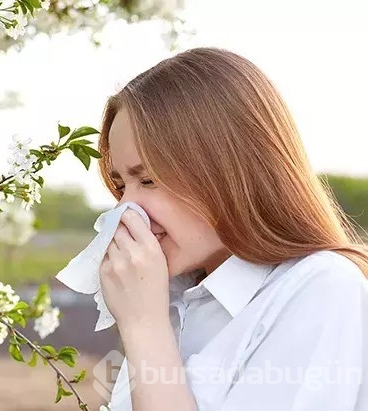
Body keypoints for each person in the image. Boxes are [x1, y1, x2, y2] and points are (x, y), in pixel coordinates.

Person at [97, 47, 368, 411]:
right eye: (120, 186)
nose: (127, 209)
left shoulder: (321, 289)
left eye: (147, 180)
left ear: (228, 170)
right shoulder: (174, 297)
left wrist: (145, 329)